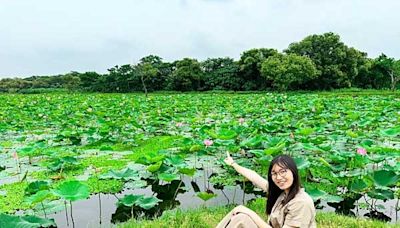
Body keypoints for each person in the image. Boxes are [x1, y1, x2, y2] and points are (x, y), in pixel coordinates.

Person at [216, 152, 316, 228]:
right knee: (240, 217)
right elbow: (255, 177)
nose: (279, 177)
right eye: (274, 173)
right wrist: (233, 164)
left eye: (283, 172)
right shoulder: (282, 192)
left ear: (293, 172)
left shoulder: (301, 203)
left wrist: (249, 212)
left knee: (243, 216)